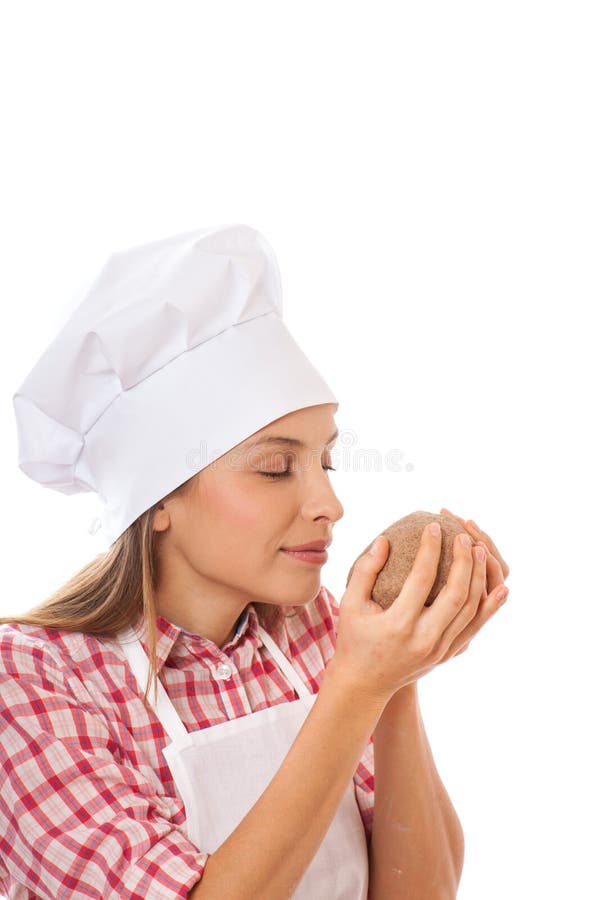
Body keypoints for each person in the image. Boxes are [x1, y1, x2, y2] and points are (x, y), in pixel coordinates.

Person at [0, 224, 509, 899]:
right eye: (276, 468)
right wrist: (357, 686)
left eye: (325, 460)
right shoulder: (31, 682)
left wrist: (395, 682)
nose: (330, 503)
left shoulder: (315, 629)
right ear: (156, 499)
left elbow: (421, 892)